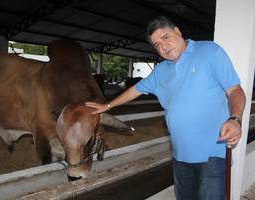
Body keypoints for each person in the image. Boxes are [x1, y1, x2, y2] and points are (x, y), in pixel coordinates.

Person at [85, 16, 246, 200]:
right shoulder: (161, 71)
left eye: (165, 37)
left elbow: (235, 90)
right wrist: (107, 105)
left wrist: (235, 119)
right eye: (157, 45)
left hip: (212, 153)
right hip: (180, 155)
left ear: (177, 31)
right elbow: (135, 90)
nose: (163, 47)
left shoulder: (209, 51)